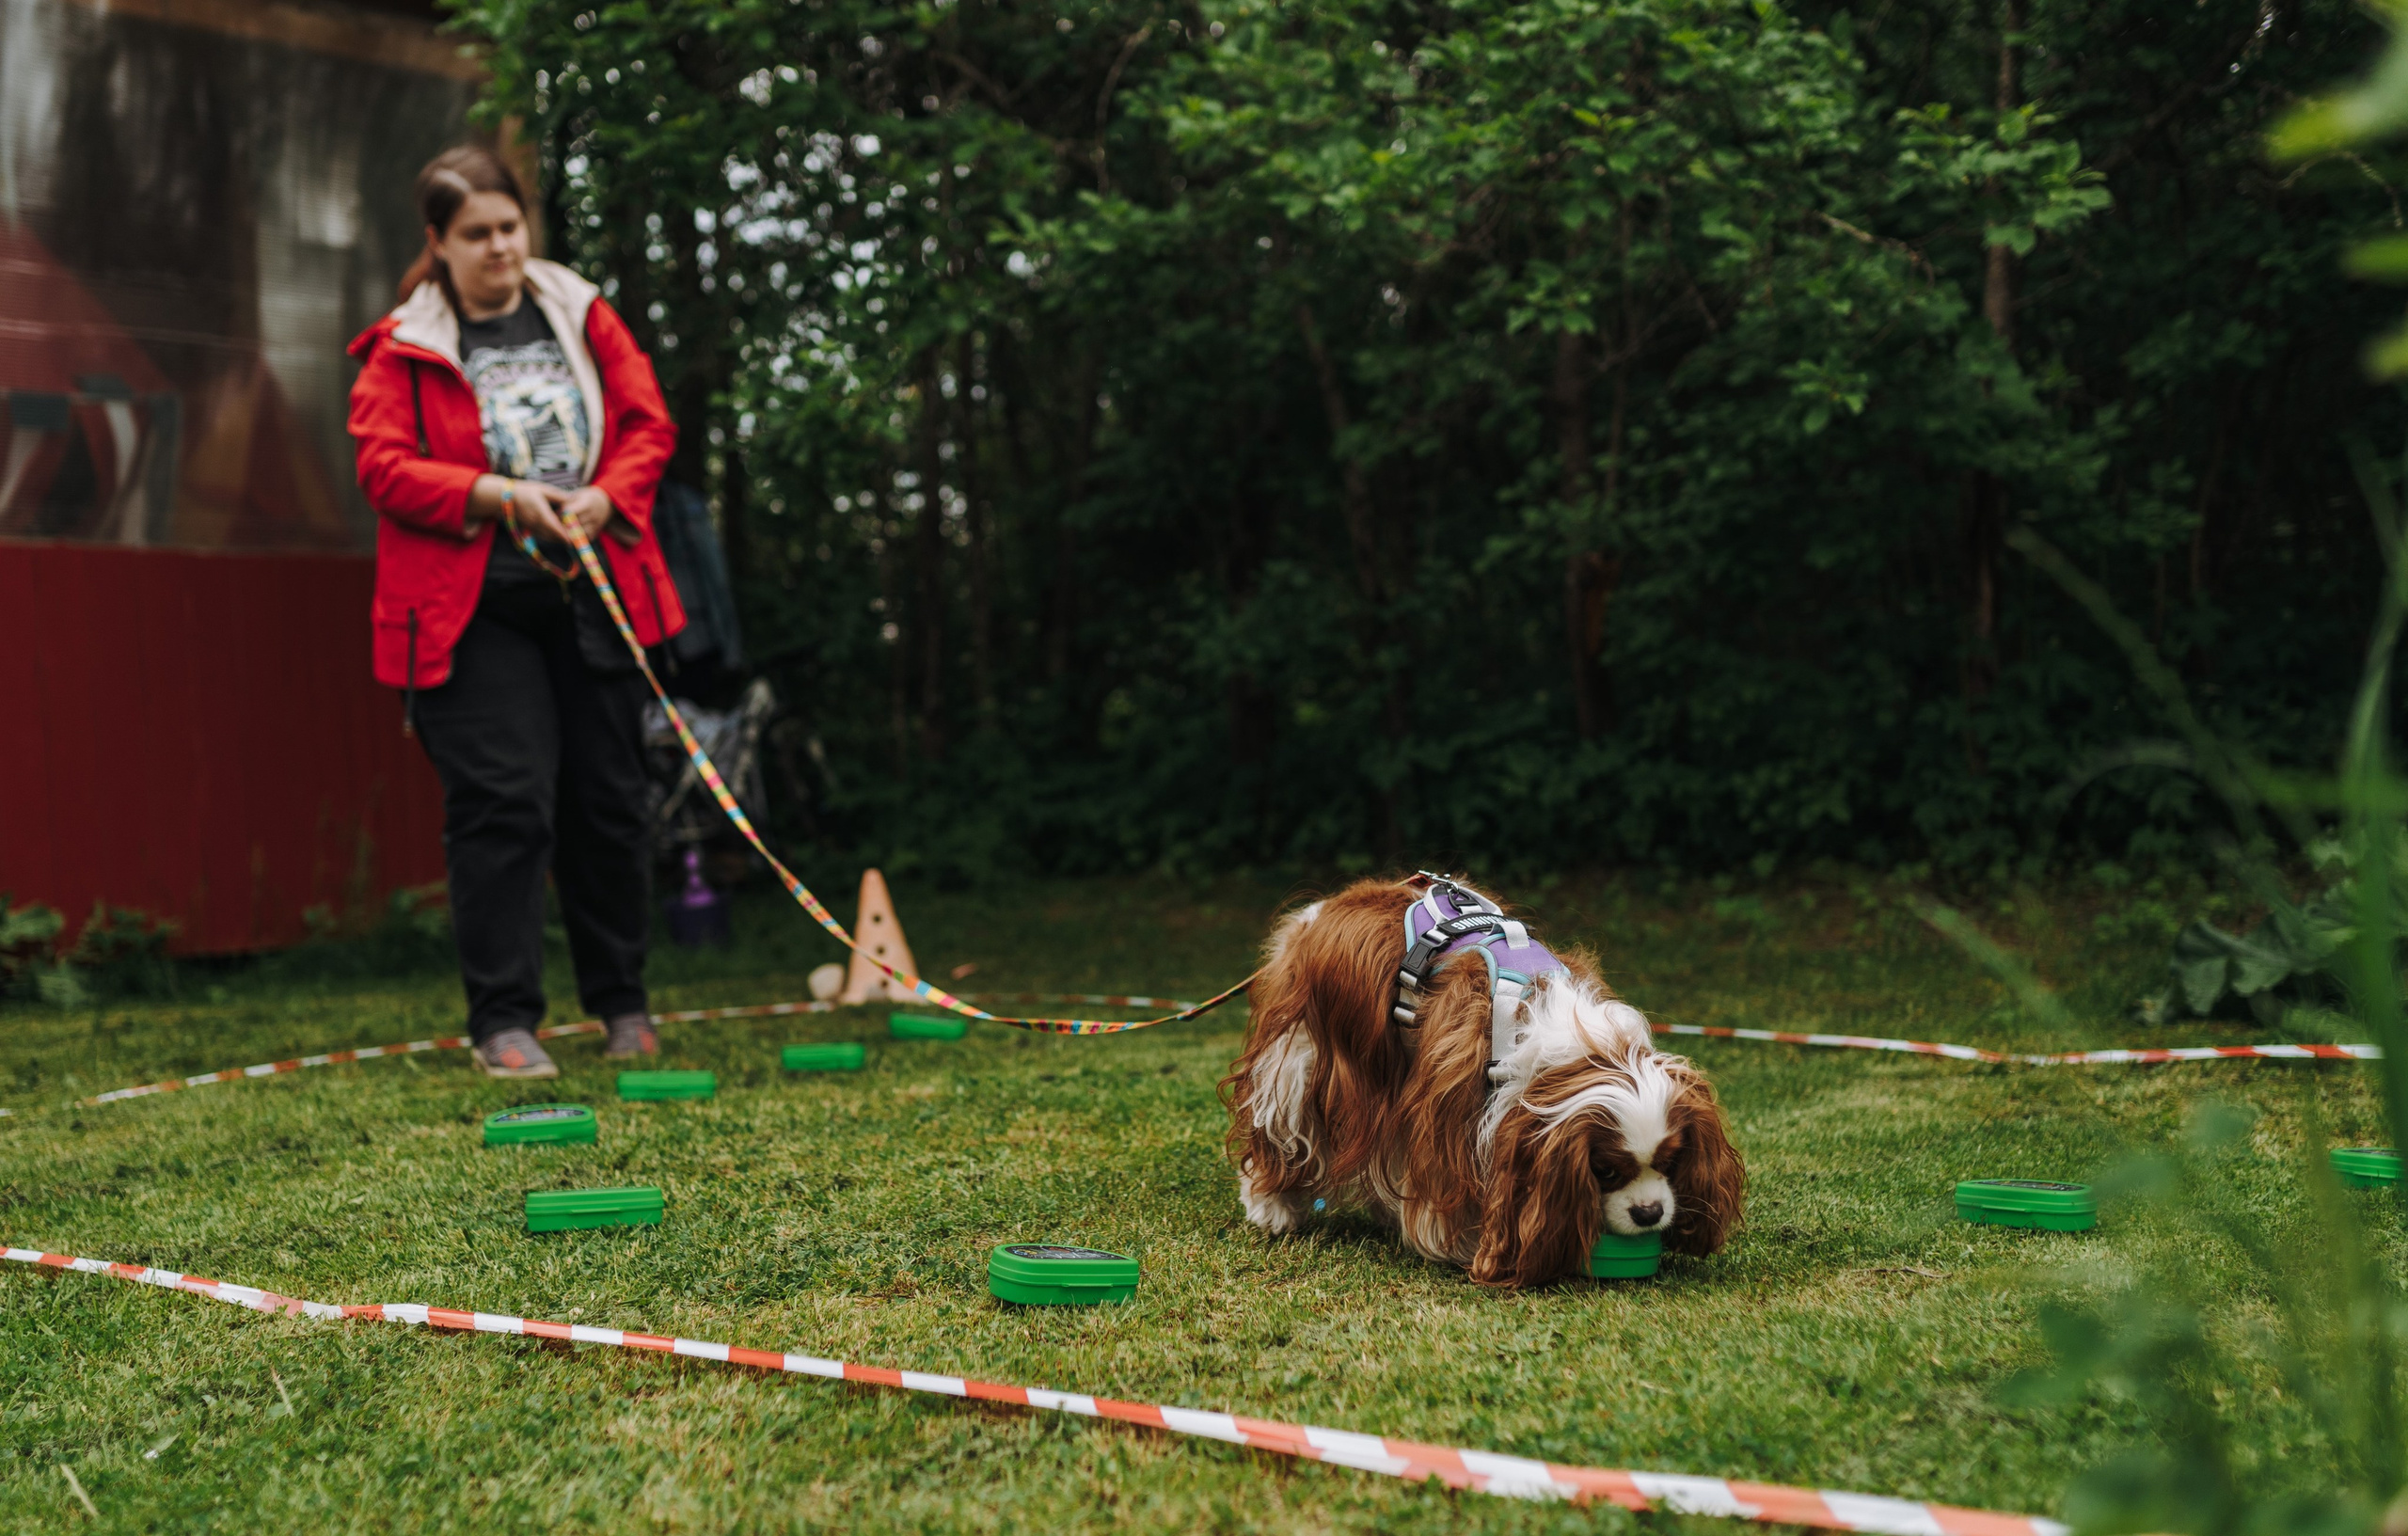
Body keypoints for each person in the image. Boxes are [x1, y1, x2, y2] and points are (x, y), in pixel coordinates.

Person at [346, 146, 687, 1078]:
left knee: (609, 803)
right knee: (505, 802)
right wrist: (497, 494)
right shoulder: (402, 345)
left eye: (510, 226)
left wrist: (608, 495)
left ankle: (623, 1004)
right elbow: (383, 468)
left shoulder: (580, 309)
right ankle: (503, 1021)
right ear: (438, 242)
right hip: (472, 611)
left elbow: (648, 422)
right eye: (477, 234)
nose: (500, 246)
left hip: (595, 593)